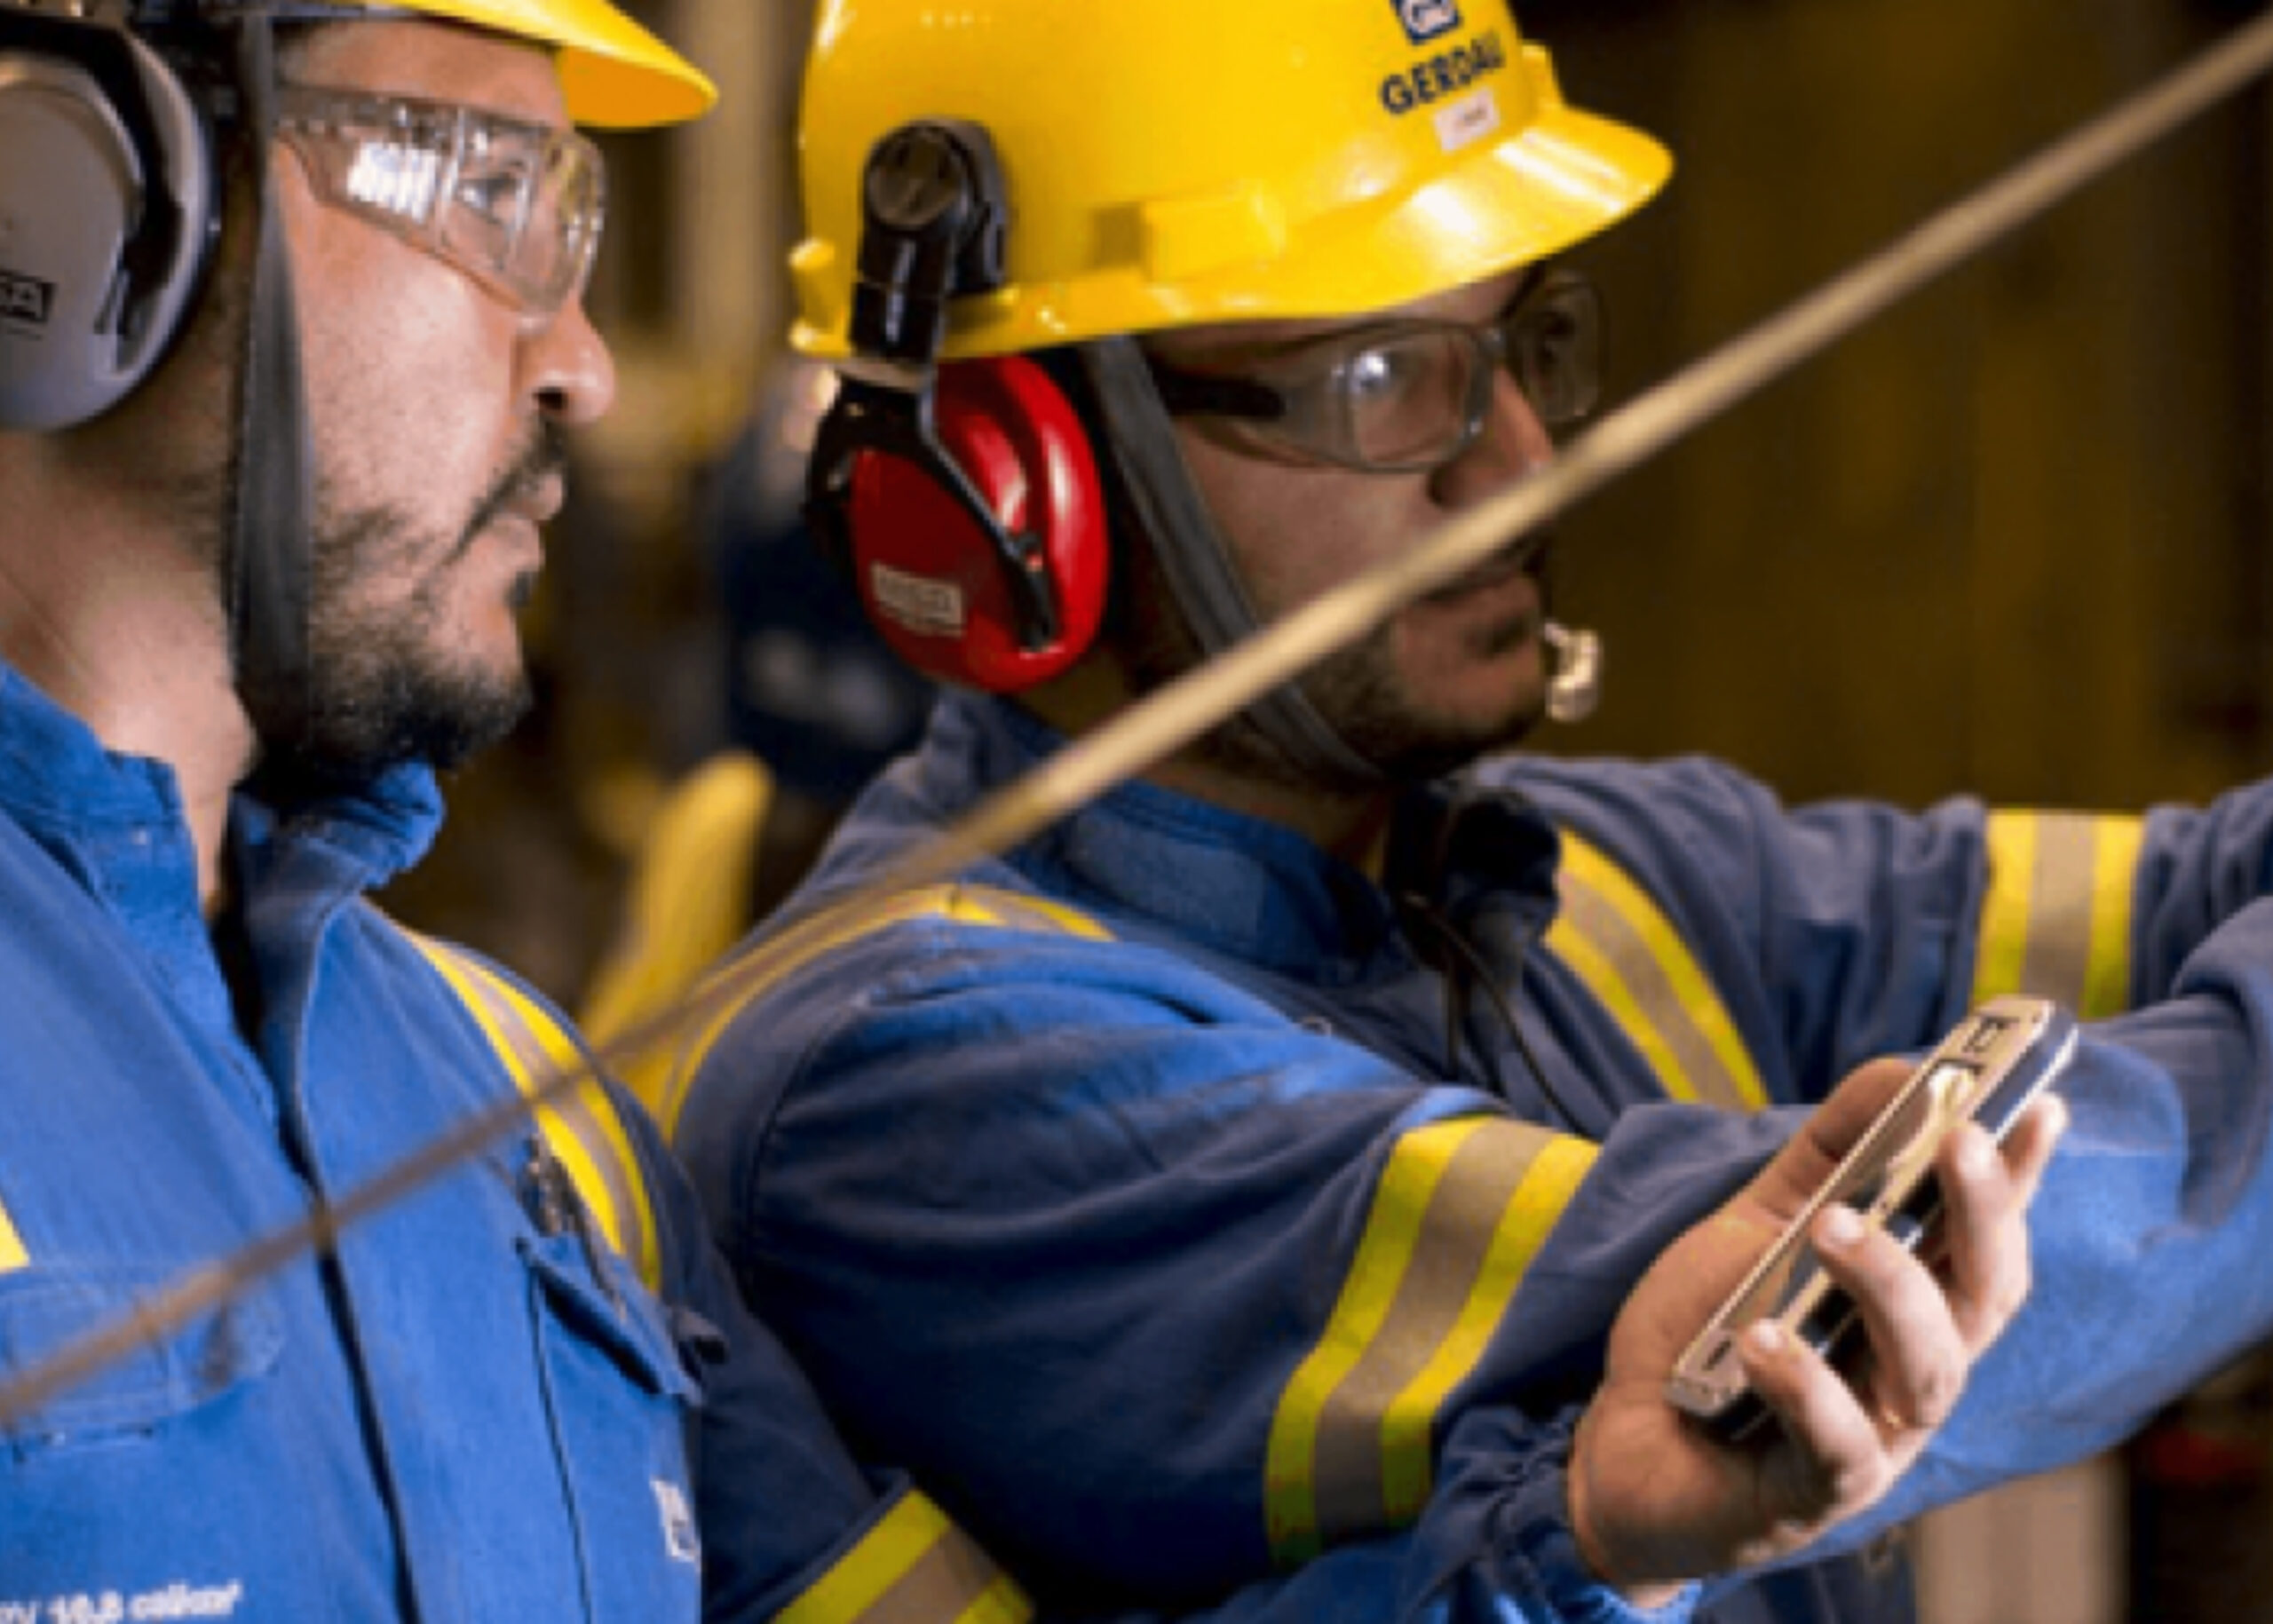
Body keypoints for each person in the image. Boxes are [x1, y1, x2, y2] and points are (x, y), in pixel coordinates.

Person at [655, 0, 2273, 1620]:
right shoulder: (911, 1084)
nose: (1514, 465)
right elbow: (1858, 1295)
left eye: (1524, 347)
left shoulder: (1599, 868)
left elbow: (2209, 883)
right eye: (1380, 377)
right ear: (1025, 474)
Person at [0, 3, 1030, 1617]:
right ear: (76, 189)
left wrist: (1556, 1535)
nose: (585, 365)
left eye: (576, 226)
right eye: (492, 197)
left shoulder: (528, 1103)